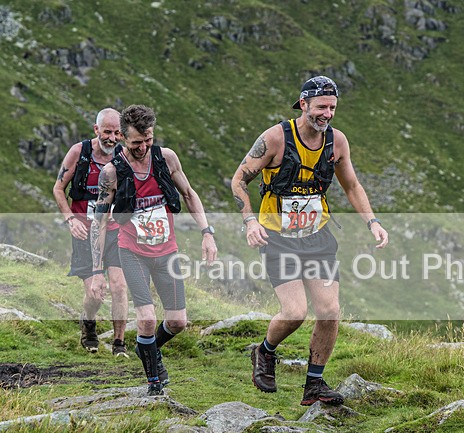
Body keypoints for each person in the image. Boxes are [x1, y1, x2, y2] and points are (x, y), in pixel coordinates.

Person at [230, 75, 389, 406]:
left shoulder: (337, 142)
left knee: (330, 310)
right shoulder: (275, 138)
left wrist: (372, 222)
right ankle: (264, 351)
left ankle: (314, 385)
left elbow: (352, 186)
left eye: (332, 108)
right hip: (278, 238)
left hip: (317, 237)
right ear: (303, 104)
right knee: (295, 312)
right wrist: (249, 221)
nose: (327, 114)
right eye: (321, 107)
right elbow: (239, 180)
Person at [89, 104, 217, 395]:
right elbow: (99, 223)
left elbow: (189, 193)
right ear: (123, 137)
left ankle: (147, 349)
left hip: (166, 252)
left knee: (177, 321)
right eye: (136, 142)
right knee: (146, 318)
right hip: (131, 252)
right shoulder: (112, 172)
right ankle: (154, 384)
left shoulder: (166, 158)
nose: (143, 147)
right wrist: (97, 271)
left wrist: (207, 233)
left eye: (148, 140)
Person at [52, 108, 129, 356]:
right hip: (85, 231)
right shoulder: (79, 152)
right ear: (96, 130)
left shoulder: (123, 155)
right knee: (95, 293)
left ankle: (119, 344)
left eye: (117, 132)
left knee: (118, 286)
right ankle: (88, 323)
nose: (113, 138)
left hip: (115, 230)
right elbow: (58, 188)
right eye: (107, 132)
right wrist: (70, 219)